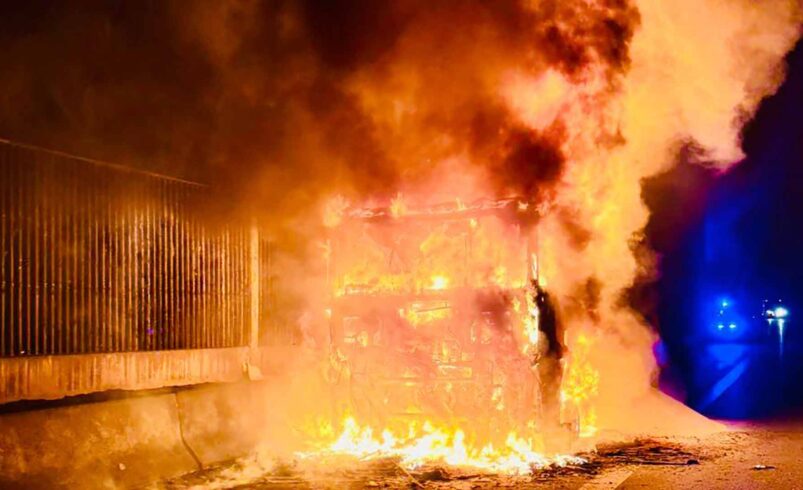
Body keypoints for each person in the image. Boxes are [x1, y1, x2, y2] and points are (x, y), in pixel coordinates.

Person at [533, 283, 564, 431]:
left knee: (549, 396)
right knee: (550, 397)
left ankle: (550, 425)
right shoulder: (551, 319)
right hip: (551, 362)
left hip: (549, 363)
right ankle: (551, 424)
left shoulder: (548, 323)